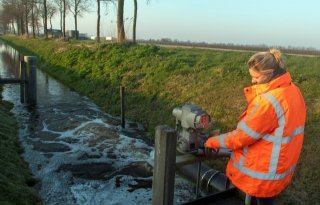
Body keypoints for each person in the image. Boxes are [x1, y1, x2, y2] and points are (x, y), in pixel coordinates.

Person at [205, 49, 306, 205]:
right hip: (282, 165)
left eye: (256, 77)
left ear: (270, 73)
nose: (252, 81)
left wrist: (212, 142)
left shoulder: (268, 102)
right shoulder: (293, 90)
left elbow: (241, 137)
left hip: (265, 172)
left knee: (263, 200)